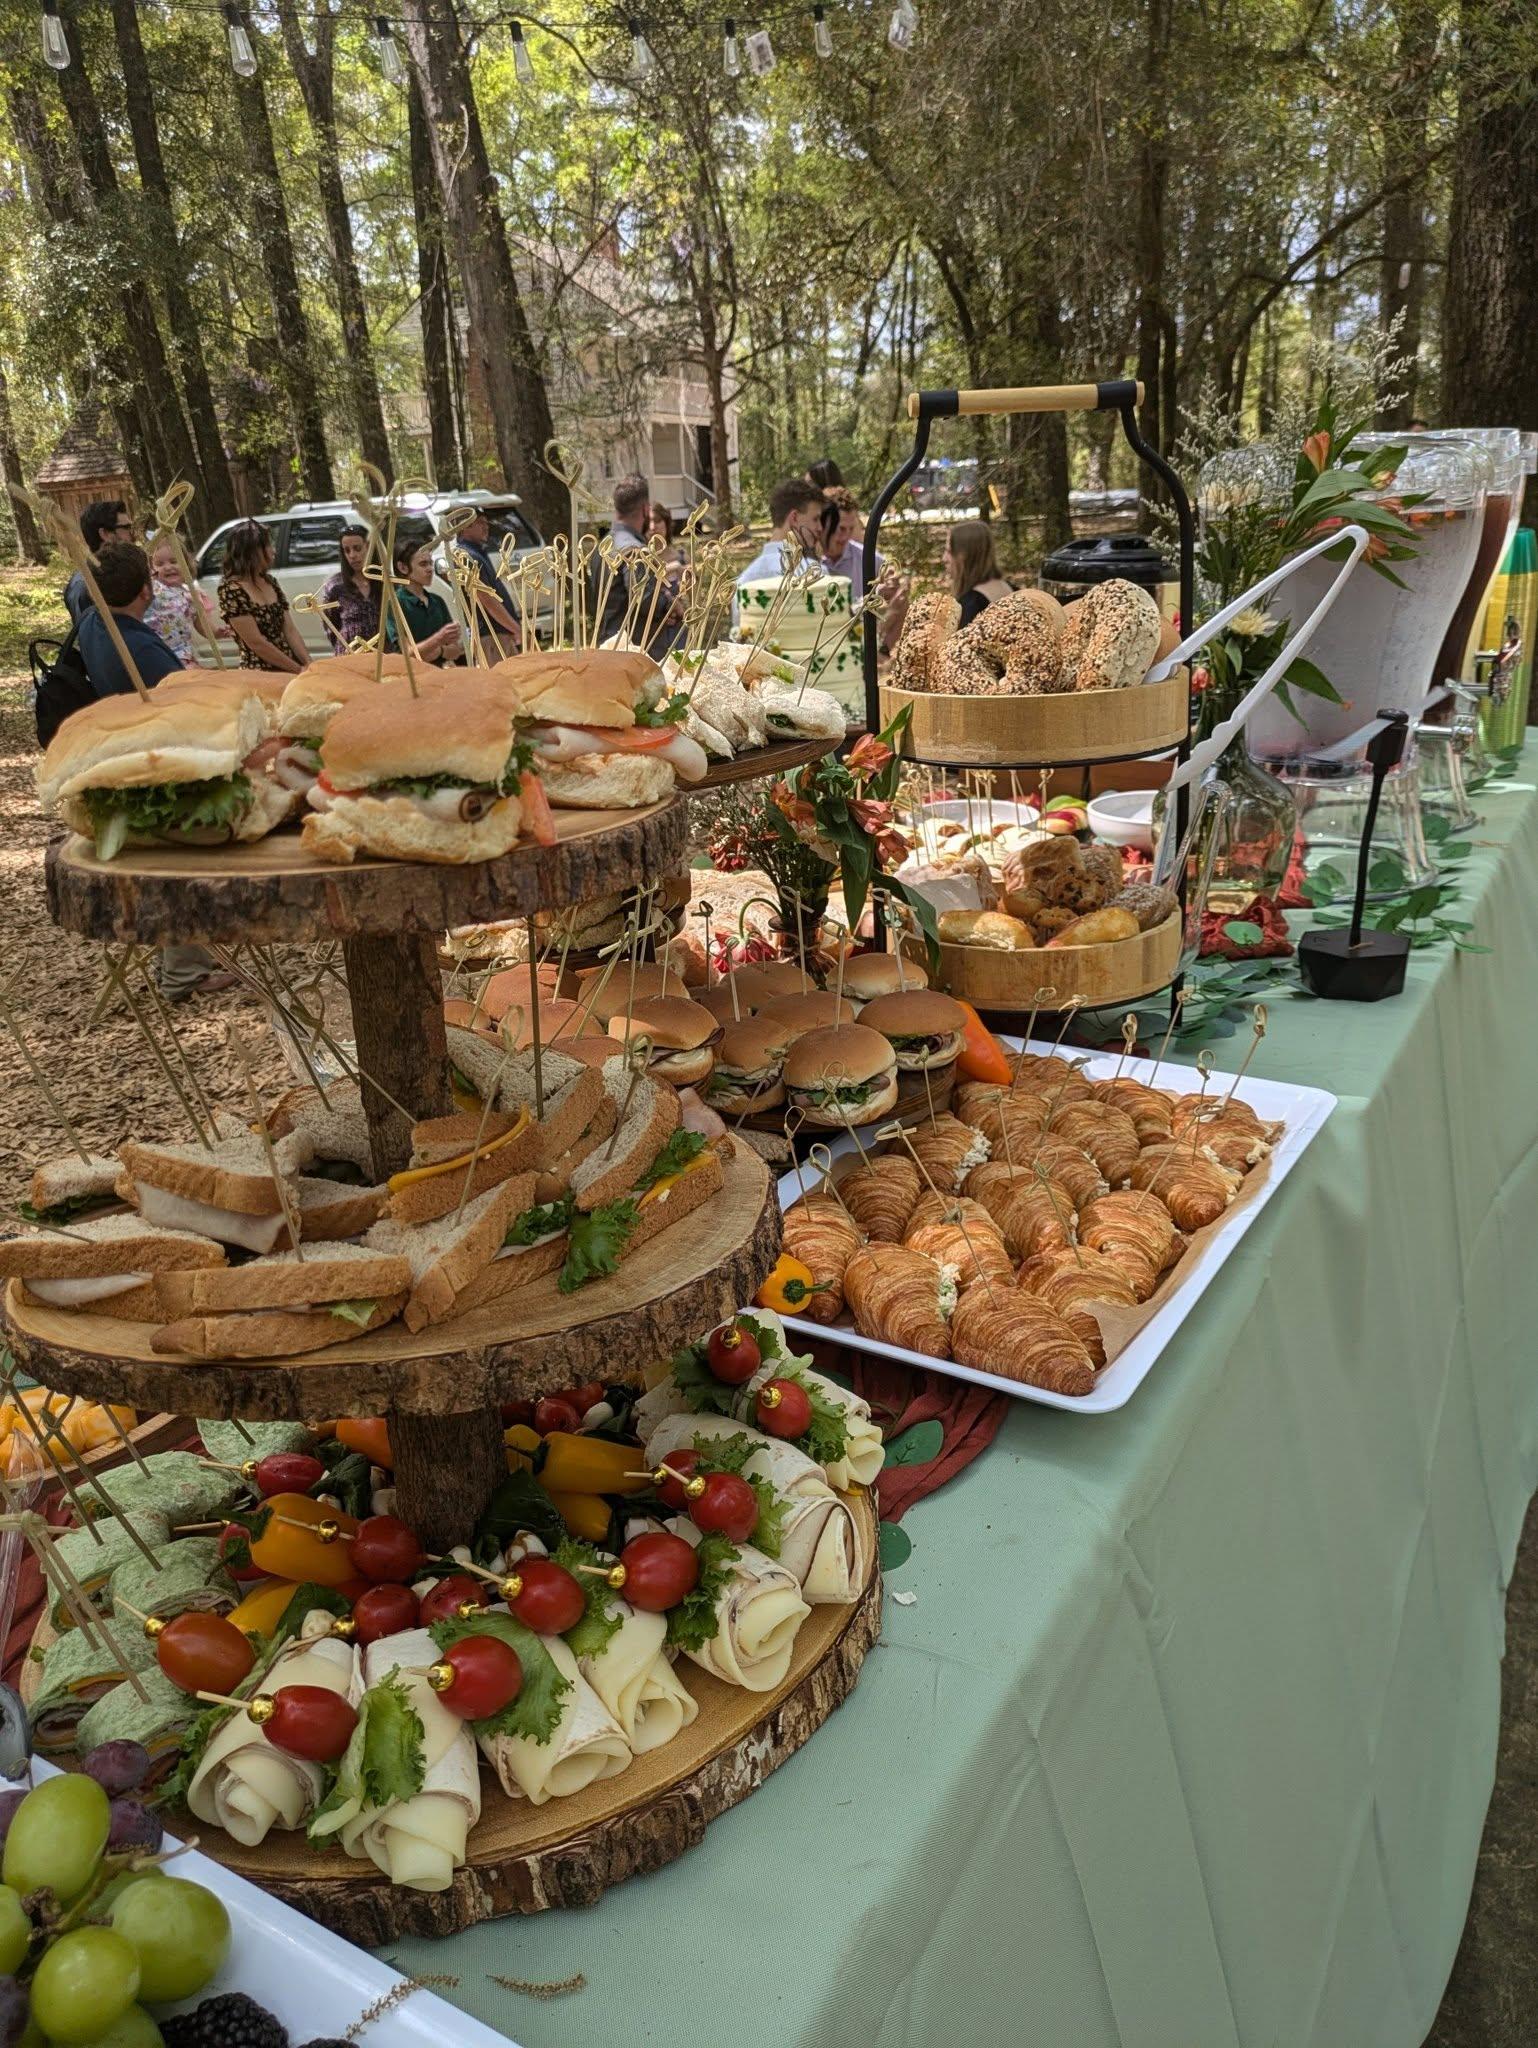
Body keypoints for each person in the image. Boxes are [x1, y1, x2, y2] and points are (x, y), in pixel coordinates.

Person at [76, 543, 186, 698]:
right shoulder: (144, 651)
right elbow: (183, 699)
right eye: (152, 576)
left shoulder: (88, 622)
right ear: (145, 591)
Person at [218, 521, 309, 673]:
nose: (273, 551)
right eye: (268, 546)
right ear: (251, 551)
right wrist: (297, 669)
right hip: (259, 673)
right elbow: (257, 643)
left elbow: (290, 630)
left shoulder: (270, 581)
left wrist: (308, 663)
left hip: (291, 667)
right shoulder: (231, 590)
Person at [447, 505, 522, 659]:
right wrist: (516, 628)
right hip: (490, 636)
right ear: (465, 526)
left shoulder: (477, 553)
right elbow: (485, 598)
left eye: (487, 523)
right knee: (498, 682)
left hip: (499, 634)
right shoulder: (465, 556)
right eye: (481, 523)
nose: (486, 527)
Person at [590, 474, 653, 645]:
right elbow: (645, 601)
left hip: (604, 643)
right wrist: (668, 605)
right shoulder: (634, 550)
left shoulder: (602, 546)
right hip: (630, 649)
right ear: (645, 509)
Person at [384, 536, 462, 664]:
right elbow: (407, 653)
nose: (430, 569)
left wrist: (440, 651)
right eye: (423, 564)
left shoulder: (437, 601)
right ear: (403, 567)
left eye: (430, 563)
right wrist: (438, 639)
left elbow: (455, 652)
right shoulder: (395, 603)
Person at [143, 538, 220, 664]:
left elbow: (201, 624)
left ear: (186, 564)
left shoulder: (190, 593)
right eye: (160, 564)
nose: (168, 567)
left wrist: (216, 633)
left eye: (174, 561)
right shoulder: (153, 588)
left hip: (183, 655)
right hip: (158, 654)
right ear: (151, 569)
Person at [63, 500, 135, 623]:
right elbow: (95, 636)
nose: (133, 535)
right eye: (127, 528)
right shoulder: (88, 585)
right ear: (105, 534)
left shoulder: (107, 574)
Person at [317, 523, 380, 650]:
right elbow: (330, 627)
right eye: (347, 550)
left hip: (382, 656)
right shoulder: (335, 586)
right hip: (349, 655)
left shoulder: (384, 582)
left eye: (357, 548)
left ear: (369, 547)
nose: (352, 555)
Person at [946, 519, 1012, 627]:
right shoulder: (1012, 589)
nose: (944, 558)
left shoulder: (971, 604)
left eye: (949, 551)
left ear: (963, 555)